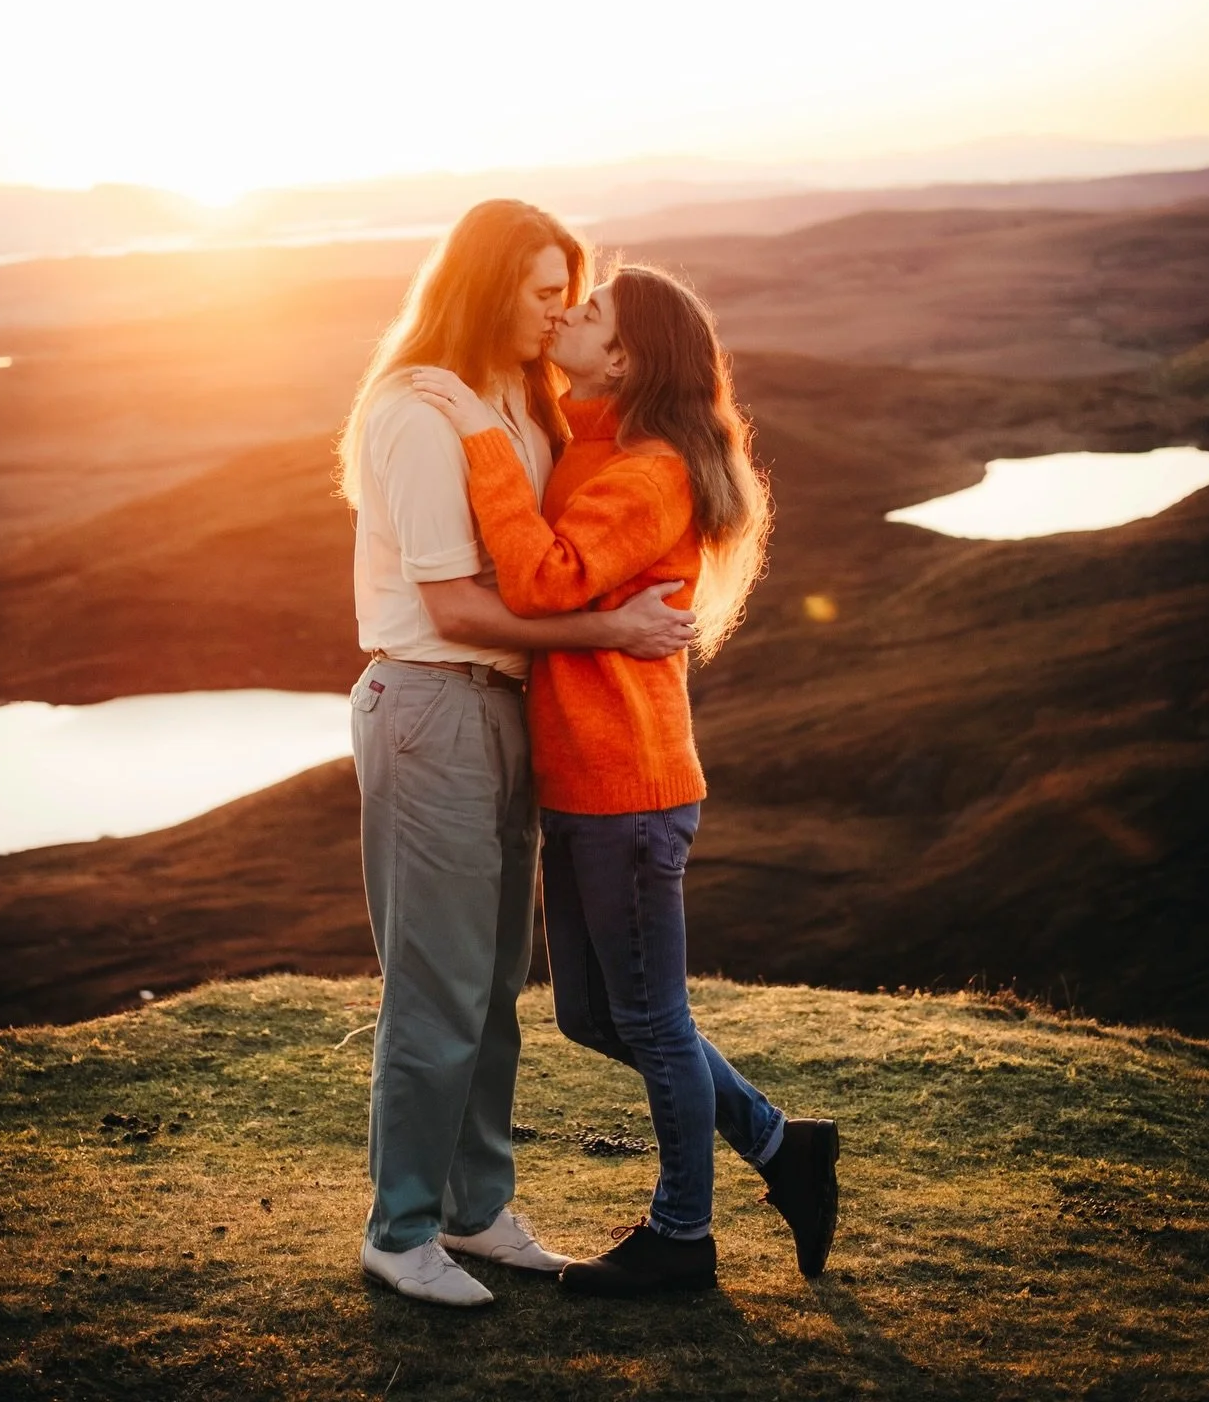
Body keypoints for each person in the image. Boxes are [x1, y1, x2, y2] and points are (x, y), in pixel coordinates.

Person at [413, 263, 840, 1297]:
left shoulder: (648, 474)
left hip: (630, 792)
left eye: (591, 310)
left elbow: (544, 578)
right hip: (589, 787)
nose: (569, 313)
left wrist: (475, 436)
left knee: (648, 1020)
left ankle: (683, 1237)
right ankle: (785, 1150)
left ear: (626, 357)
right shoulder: (600, 437)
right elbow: (558, 427)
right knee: (593, 1019)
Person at [337, 202, 697, 1308]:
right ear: (489, 285)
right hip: (434, 702)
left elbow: (564, 545)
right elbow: (454, 605)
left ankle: (476, 1209)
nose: (559, 310)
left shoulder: (522, 404)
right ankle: (400, 1231)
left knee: (494, 984)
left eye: (568, 291)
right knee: (437, 989)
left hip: (506, 712)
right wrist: (610, 633)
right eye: (544, 289)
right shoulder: (416, 409)